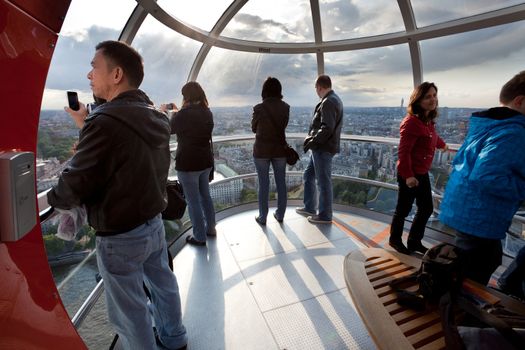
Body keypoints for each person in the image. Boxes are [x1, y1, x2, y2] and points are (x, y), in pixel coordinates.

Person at [47, 40, 187, 350]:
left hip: (120, 233)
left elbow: (76, 182)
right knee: (163, 285)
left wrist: (52, 200)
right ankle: (175, 339)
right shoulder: (156, 117)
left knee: (130, 309)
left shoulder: (105, 123)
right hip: (153, 223)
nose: (88, 75)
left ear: (116, 74)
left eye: (94, 67)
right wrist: (87, 125)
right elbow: (125, 157)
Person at [440, 71, 525, 286]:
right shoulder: (513, 132)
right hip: (480, 214)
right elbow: (486, 175)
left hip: (467, 208)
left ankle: (456, 305)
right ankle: (462, 314)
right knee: (478, 268)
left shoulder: (486, 124)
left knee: (478, 262)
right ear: (520, 101)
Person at [389, 82, 447, 255]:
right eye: (427, 96)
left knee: (426, 208)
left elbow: (431, 138)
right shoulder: (412, 122)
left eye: (434, 95)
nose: (432, 99)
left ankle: (414, 242)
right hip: (410, 174)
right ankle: (395, 240)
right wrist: (408, 176)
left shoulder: (427, 121)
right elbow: (404, 151)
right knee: (403, 209)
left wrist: (442, 145)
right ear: (418, 99)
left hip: (421, 173)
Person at [167, 82, 216, 246]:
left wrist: (173, 113)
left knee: (193, 201)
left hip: (188, 163)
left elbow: (168, 129)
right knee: (206, 197)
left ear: (186, 97)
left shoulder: (183, 115)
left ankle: (200, 237)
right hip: (205, 161)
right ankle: (211, 228)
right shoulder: (207, 112)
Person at [296, 75, 343, 224]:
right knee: (309, 175)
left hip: (322, 148)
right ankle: (309, 207)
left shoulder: (328, 102)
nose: (316, 91)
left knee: (323, 182)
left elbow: (327, 128)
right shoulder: (335, 99)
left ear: (319, 87)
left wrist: (312, 140)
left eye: (316, 88)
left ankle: (324, 215)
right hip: (322, 147)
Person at [251, 77, 290, 225]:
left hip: (261, 150)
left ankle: (263, 217)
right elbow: (283, 127)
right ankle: (280, 215)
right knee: (281, 183)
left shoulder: (259, 108)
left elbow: (254, 128)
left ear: (264, 90)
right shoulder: (286, 107)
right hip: (280, 150)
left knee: (263, 184)